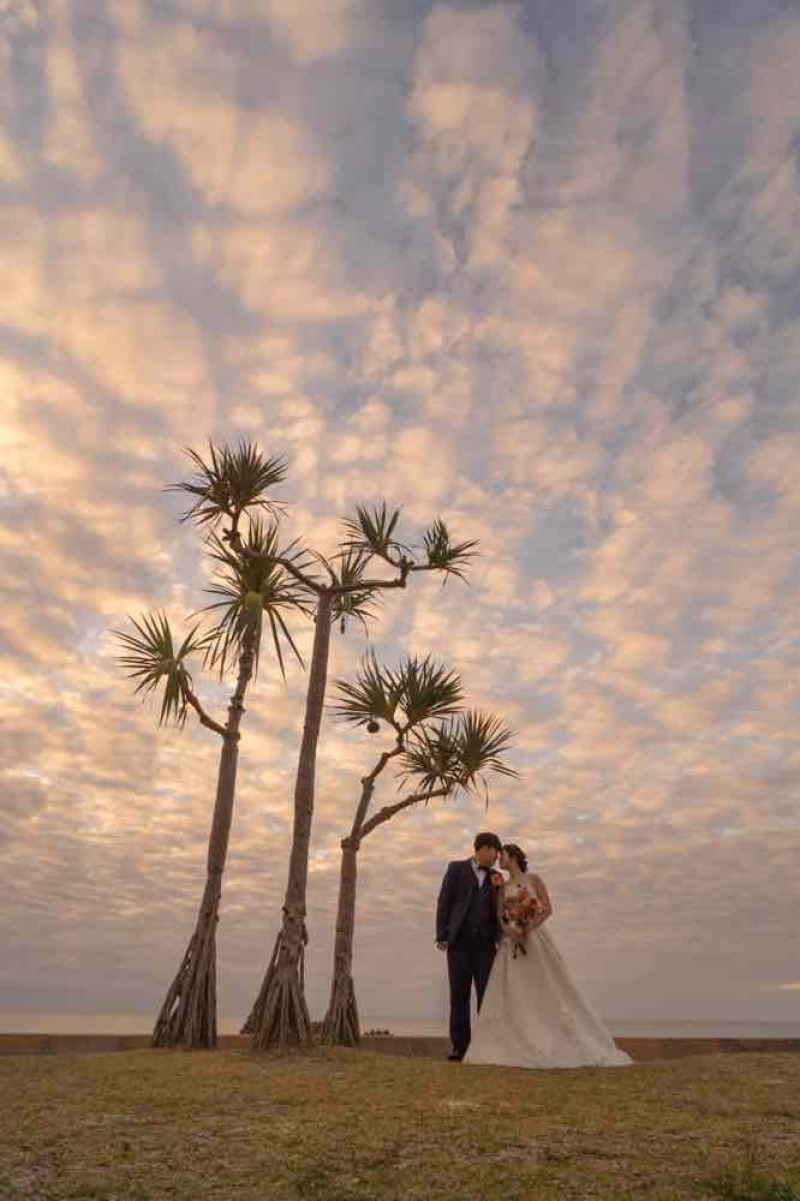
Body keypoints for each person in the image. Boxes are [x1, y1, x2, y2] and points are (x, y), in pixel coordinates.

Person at [463, 843, 634, 1068]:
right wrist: (511, 930)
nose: (499, 859)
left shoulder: (534, 880)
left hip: (534, 939)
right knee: (515, 989)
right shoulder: (502, 887)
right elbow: (499, 916)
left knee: (545, 984)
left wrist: (527, 927)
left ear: (513, 856)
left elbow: (547, 908)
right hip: (510, 942)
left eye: (502, 855)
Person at [435, 832, 502, 1062]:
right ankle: (460, 1047)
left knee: (486, 995)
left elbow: (500, 911)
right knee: (459, 995)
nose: (497, 858)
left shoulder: (497, 878)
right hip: (459, 943)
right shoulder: (456, 869)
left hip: (486, 946)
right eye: (495, 852)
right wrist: (442, 934)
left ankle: (486, 1045)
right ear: (484, 849)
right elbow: (444, 900)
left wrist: (501, 937)